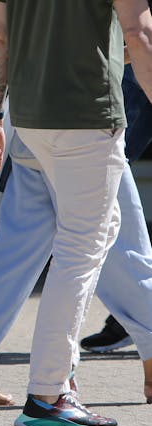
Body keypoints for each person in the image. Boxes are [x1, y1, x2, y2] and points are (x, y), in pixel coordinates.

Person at [0, 0, 152, 426]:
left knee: (68, 241)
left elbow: (0, 38)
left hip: (30, 119)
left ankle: (49, 385)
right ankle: (50, 394)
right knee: (83, 250)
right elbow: (139, 33)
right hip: (87, 115)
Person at [81, 64, 152, 353]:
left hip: (137, 48)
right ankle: (135, 313)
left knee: (106, 172)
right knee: (107, 174)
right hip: (135, 54)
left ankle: (136, 313)